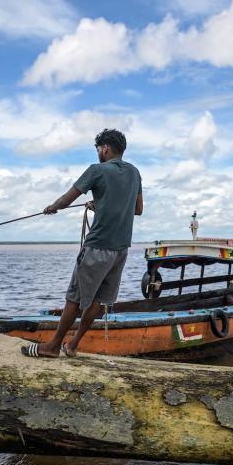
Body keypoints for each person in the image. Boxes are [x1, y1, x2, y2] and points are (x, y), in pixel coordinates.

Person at [22, 128, 143, 358]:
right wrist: (100, 205)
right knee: (99, 300)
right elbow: (137, 210)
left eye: (99, 148)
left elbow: (67, 200)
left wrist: (52, 207)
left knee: (75, 299)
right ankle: (74, 345)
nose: (98, 152)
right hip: (120, 251)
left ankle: (53, 346)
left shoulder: (96, 170)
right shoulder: (135, 173)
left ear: (105, 148)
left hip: (97, 247)